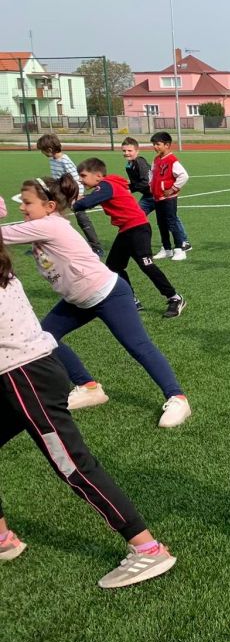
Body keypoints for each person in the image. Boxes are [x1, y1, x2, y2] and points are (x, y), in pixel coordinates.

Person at [0, 229, 178, 588]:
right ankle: (3, 539)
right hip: (25, 373)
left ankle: (147, 549)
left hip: (25, 379)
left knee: (72, 464)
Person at [0, 178, 192, 427]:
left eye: (27, 203)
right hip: (79, 300)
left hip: (108, 294)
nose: (22, 207)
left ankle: (178, 398)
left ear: (49, 206)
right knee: (44, 337)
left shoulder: (50, 225)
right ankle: (89, 387)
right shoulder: (41, 226)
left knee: (138, 346)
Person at [74, 157, 186, 318]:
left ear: (97, 175)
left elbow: (85, 203)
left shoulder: (105, 185)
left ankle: (175, 297)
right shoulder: (107, 185)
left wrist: (74, 202)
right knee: (114, 266)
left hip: (137, 228)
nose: (80, 179)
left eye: (83, 175)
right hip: (127, 229)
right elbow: (91, 199)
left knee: (146, 264)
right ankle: (131, 300)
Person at [36, 133, 104, 256]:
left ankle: (96, 247)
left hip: (72, 194)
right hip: (60, 194)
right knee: (48, 215)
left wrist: (78, 195)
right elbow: (57, 178)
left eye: (43, 150)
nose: (42, 153)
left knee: (82, 219)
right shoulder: (52, 160)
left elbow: (77, 178)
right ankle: (42, 246)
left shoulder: (65, 160)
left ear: (50, 149)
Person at [148, 131, 192, 261]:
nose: (155, 147)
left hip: (168, 198)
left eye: (158, 144)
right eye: (154, 144)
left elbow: (184, 176)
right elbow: (151, 174)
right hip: (157, 197)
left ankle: (179, 249)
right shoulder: (156, 159)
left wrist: (173, 189)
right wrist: (151, 185)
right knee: (161, 223)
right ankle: (166, 248)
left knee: (172, 223)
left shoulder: (172, 160)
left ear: (167, 145)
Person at [121, 136, 154, 214]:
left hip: (159, 195)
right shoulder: (129, 165)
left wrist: (130, 189)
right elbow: (136, 183)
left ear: (137, 151)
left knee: (170, 219)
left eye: (129, 150)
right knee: (136, 216)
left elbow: (146, 181)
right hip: (148, 196)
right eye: (124, 151)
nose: (126, 153)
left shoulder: (139, 162)